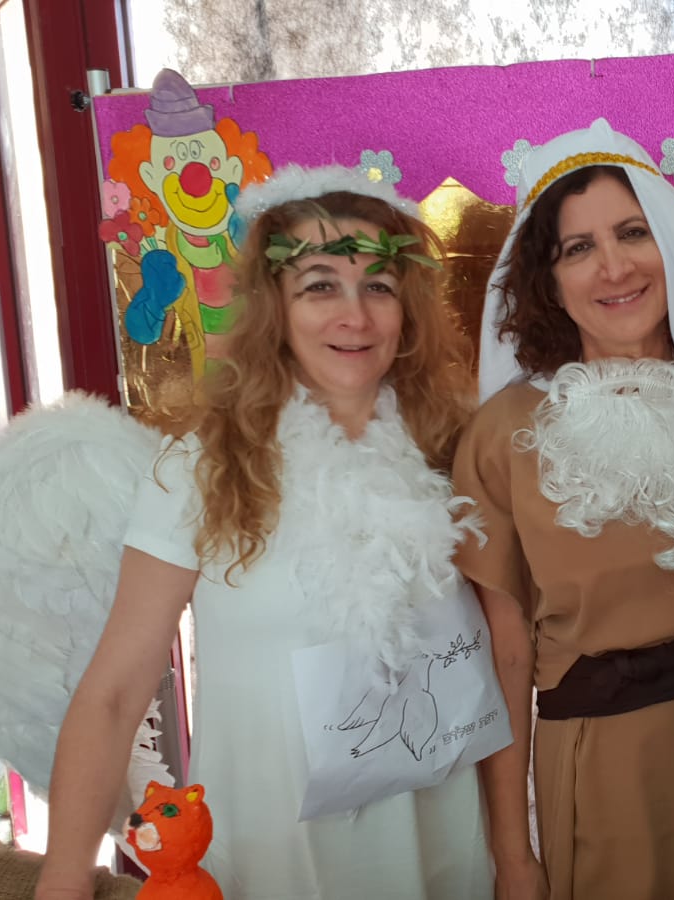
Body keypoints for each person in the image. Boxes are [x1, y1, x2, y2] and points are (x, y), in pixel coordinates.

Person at [34, 164, 494, 900]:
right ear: (274, 306)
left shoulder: (460, 451)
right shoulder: (202, 467)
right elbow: (114, 693)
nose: (355, 316)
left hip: (444, 846)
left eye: (378, 287)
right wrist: (63, 880)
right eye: (320, 286)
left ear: (407, 308)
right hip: (274, 856)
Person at [453, 118, 674, 900]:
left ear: (673, 244)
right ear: (547, 279)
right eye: (578, 247)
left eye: (633, 233)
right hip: (600, 776)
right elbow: (505, 660)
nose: (614, 266)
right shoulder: (500, 436)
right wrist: (514, 856)